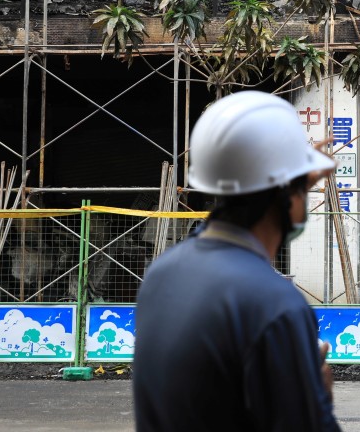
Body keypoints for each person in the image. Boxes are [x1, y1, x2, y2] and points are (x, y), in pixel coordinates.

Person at [133, 91, 341, 432]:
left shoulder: (162, 273)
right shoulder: (276, 304)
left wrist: (295, 176)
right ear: (287, 194)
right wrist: (319, 397)